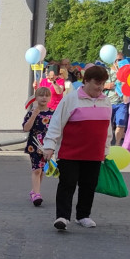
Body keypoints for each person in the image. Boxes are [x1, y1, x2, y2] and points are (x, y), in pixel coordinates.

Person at [42, 64, 113, 230]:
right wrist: (50, 145)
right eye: (97, 83)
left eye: (102, 83)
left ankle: (83, 215)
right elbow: (56, 123)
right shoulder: (71, 99)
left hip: (94, 153)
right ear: (86, 81)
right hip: (70, 152)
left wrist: (106, 150)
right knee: (68, 183)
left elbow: (107, 128)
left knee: (89, 185)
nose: (100, 87)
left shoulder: (106, 101)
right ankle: (62, 217)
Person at [23, 86, 53, 206]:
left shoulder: (52, 113)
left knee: (41, 171)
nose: (44, 98)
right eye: (41, 95)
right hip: (34, 144)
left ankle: (34, 191)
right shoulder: (31, 112)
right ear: (36, 98)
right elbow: (26, 128)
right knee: (37, 169)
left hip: (47, 146)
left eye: (46, 95)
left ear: (50, 98)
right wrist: (34, 115)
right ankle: (37, 194)